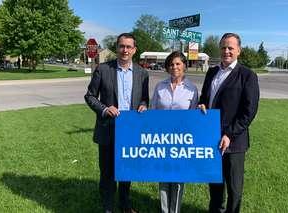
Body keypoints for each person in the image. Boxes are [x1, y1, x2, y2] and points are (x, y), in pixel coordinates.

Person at [84, 33, 149, 213]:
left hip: (131, 131)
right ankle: (108, 207)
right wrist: (104, 109)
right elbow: (90, 96)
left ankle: (124, 203)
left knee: (127, 170)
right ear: (117, 48)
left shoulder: (142, 73)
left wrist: (144, 105)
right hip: (108, 129)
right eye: (122, 46)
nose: (125, 50)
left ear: (135, 50)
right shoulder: (103, 69)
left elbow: (144, 99)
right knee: (107, 172)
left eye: (129, 47)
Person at [198, 33, 259, 213]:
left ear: (238, 50)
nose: (226, 51)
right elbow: (205, 98)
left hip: (234, 142)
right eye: (224, 47)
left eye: (230, 48)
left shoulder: (247, 75)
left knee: (234, 189)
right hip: (211, 138)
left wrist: (229, 134)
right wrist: (201, 104)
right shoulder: (212, 72)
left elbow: (249, 111)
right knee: (215, 185)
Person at [151, 51, 198, 213]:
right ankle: (165, 210)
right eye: (171, 64)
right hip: (161, 140)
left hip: (181, 141)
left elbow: (194, 117)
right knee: (163, 178)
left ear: (184, 65)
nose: (174, 67)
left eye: (178, 63)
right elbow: (153, 112)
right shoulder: (160, 86)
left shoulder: (192, 89)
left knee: (178, 179)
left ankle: (175, 210)